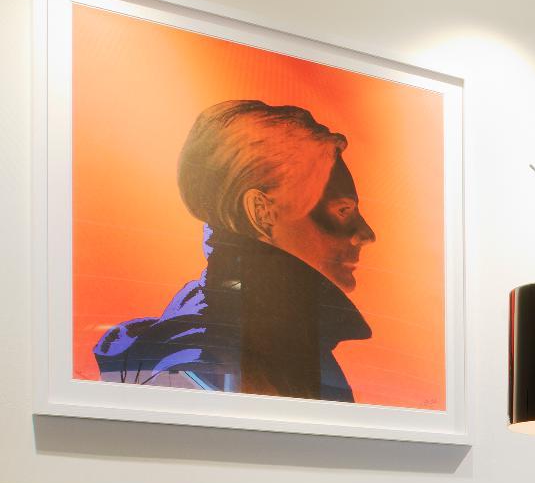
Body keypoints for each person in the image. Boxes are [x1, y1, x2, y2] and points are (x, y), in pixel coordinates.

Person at [94, 99, 376, 402]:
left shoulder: (287, 345)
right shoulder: (200, 367)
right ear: (261, 212)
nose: (366, 234)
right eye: (343, 210)